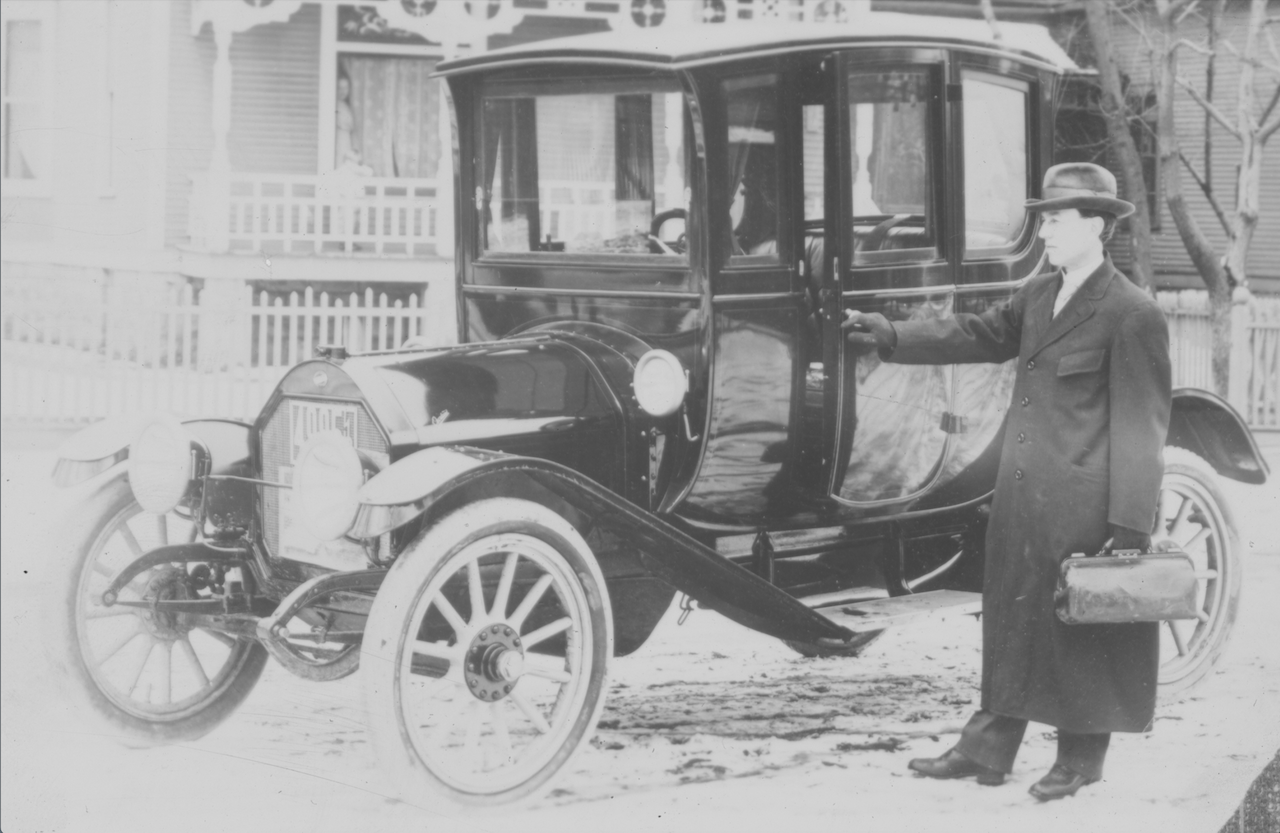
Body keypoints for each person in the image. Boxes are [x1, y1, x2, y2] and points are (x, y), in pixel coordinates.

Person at [843, 162, 1172, 801]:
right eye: (1041, 216)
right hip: (1023, 497)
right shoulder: (1039, 293)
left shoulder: (1133, 313)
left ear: (1098, 226)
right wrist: (893, 333)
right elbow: (978, 332)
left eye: (1055, 217)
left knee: (1082, 626)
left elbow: (1143, 428)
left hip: (1085, 508)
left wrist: (1129, 527)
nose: (1042, 228)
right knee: (1012, 621)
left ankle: (1081, 760)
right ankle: (986, 748)